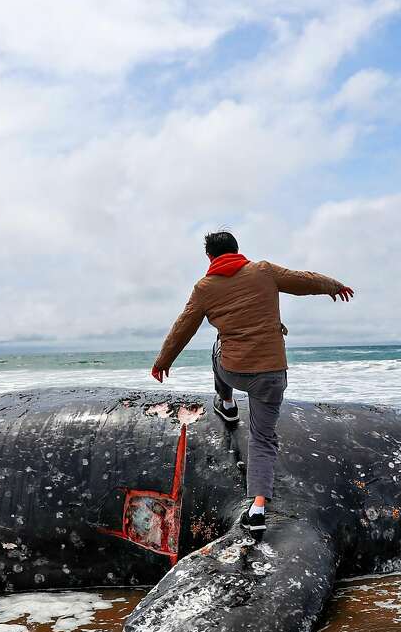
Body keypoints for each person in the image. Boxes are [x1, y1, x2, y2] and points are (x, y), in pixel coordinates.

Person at [150, 230, 353, 542]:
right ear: (237, 249)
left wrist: (164, 361)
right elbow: (305, 280)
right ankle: (258, 509)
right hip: (272, 373)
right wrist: (334, 286)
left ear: (209, 257)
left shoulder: (205, 287)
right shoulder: (263, 271)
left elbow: (184, 326)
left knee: (217, 348)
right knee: (262, 438)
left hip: (234, 370)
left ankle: (226, 404)